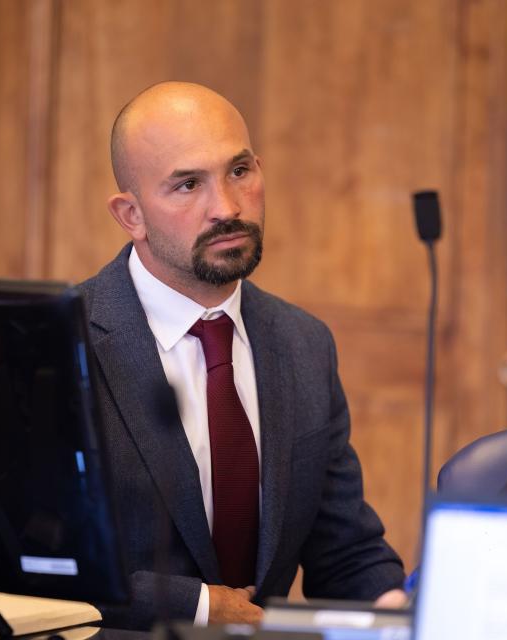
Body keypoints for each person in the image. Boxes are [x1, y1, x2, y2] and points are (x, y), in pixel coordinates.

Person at [77, 81, 405, 630]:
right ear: (130, 214)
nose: (226, 208)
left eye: (239, 171)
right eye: (187, 185)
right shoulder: (64, 342)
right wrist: (200, 606)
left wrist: (398, 609)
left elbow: (343, 550)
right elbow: (37, 560)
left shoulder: (304, 344)